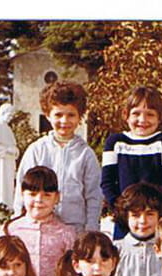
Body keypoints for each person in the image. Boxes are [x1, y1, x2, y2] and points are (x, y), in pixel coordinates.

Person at [13, 81, 103, 234]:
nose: (64, 121)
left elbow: (94, 195)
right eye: (58, 115)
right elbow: (22, 188)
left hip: (75, 229)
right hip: (40, 228)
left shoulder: (85, 154)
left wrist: (91, 230)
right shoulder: (37, 150)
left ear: (80, 117)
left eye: (71, 115)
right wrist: (18, 220)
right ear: (48, 115)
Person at [101, 86, 162, 239]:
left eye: (150, 114)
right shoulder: (114, 142)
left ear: (159, 117)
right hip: (125, 216)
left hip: (155, 217)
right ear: (126, 115)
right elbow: (107, 182)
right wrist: (121, 209)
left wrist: (156, 209)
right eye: (136, 113)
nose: (142, 120)